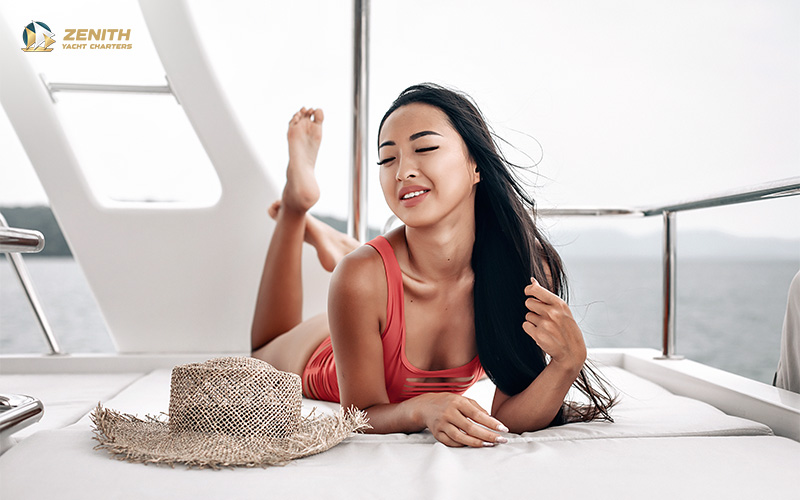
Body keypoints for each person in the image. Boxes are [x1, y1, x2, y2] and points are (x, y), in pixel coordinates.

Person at [252, 83, 616, 448]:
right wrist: (422, 408)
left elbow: (509, 419)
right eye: (387, 159)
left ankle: (335, 241)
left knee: (364, 267)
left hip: (376, 297)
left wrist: (567, 363)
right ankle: (295, 207)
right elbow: (358, 415)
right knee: (263, 351)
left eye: (424, 148)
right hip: (327, 355)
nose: (402, 172)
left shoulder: (523, 271)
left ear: (476, 164)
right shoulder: (358, 279)